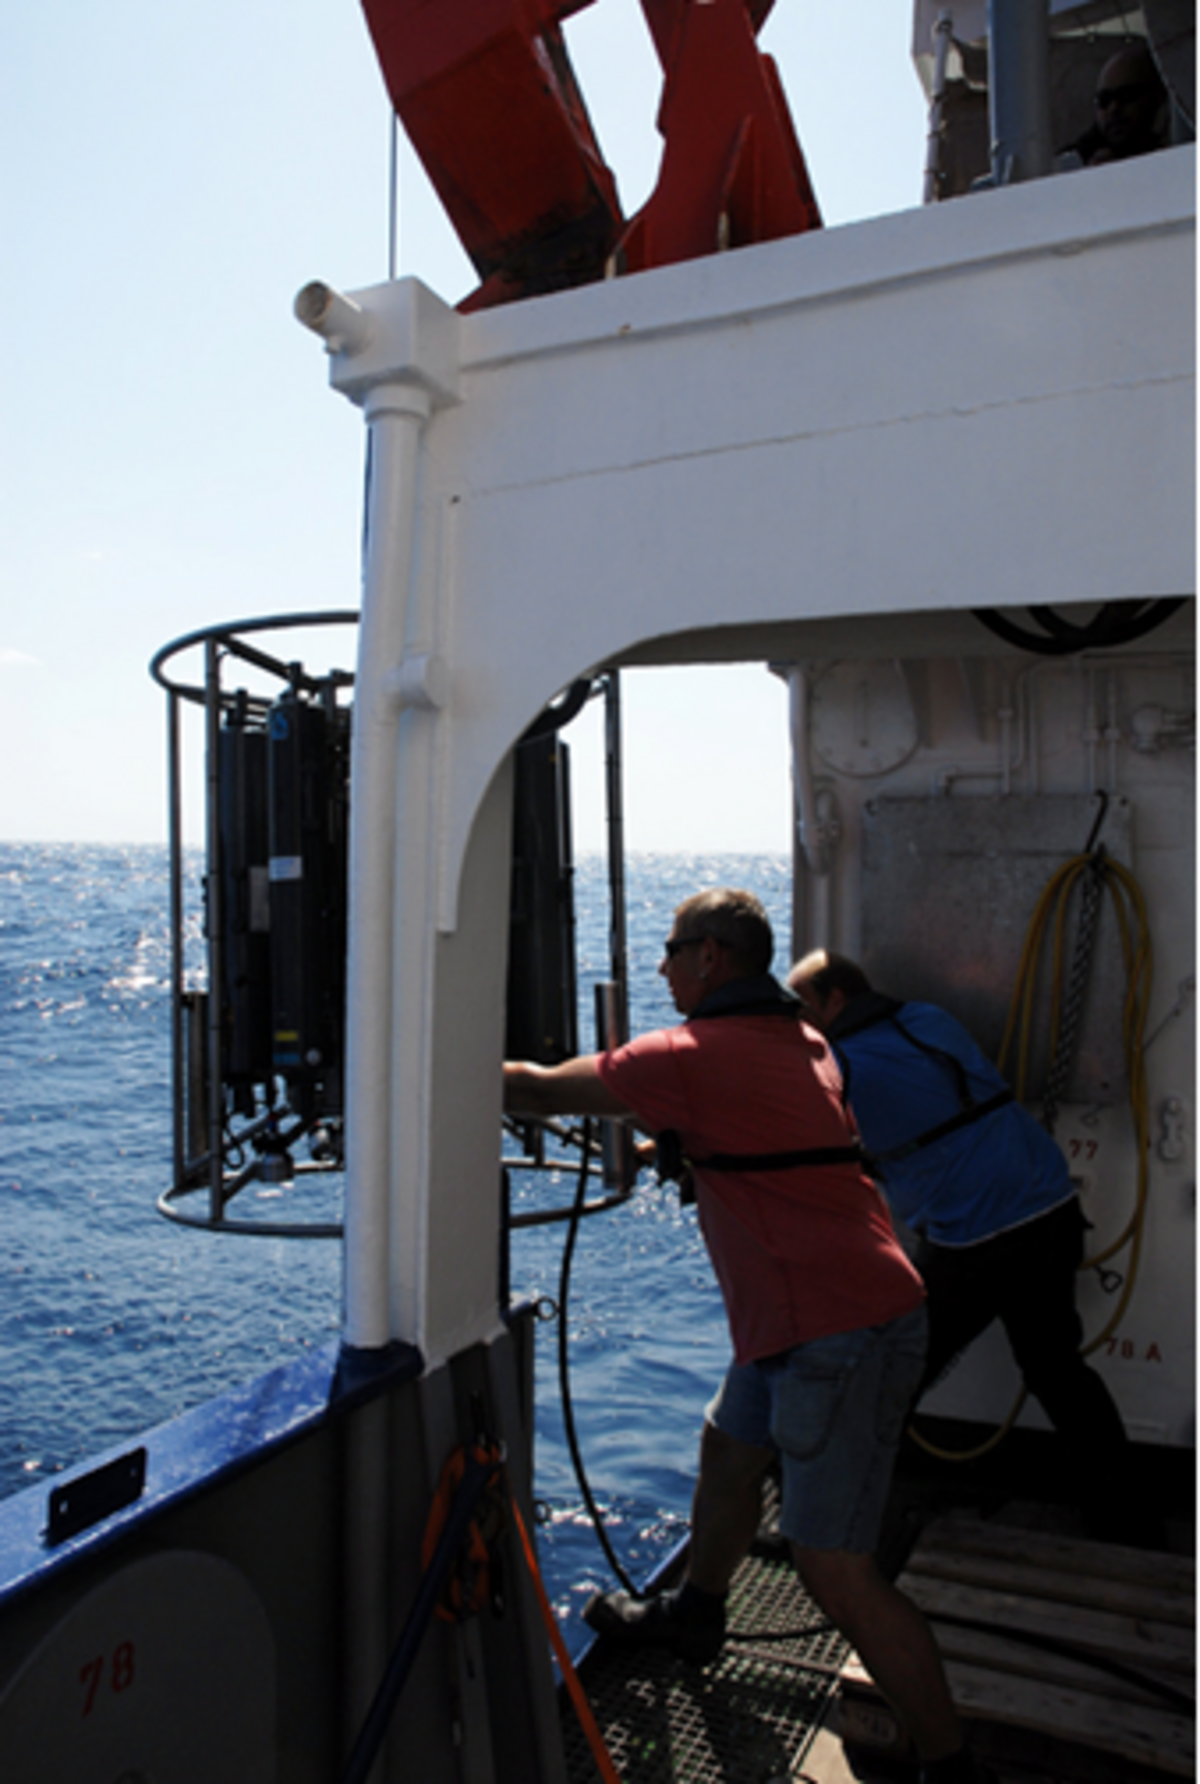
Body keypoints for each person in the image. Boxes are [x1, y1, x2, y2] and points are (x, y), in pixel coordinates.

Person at [505, 889, 987, 1784]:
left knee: (833, 1569)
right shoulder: (801, 1038)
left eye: (672, 949)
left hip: (834, 1327)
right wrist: (681, 1146)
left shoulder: (689, 1054)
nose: (661, 967)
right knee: (728, 1450)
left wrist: (422, 1056)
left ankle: (950, 1766)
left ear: (712, 958)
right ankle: (698, 1611)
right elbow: (773, 1133)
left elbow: (531, 1093)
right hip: (823, 1312)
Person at [787, 949, 1139, 1542]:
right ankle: (1130, 1524)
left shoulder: (840, 1068)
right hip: (1049, 1209)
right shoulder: (928, 1019)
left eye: (802, 1009)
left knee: (892, 1373)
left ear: (836, 1001)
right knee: (1058, 1371)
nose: (797, 1023)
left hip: (975, 1240)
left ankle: (846, 1527)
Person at [1070, 41, 1169, 167]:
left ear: (1159, 96)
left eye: (1126, 95)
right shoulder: (1080, 157)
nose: (1113, 108)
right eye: (1104, 100)